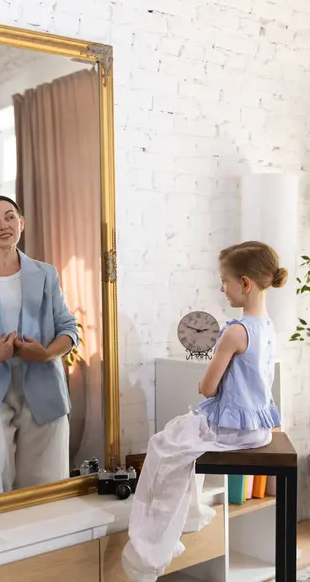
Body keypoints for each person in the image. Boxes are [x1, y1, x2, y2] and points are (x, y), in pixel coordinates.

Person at [122, 241, 287, 582]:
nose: (221, 288)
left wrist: (209, 380)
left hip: (231, 429)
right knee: (179, 443)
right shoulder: (267, 327)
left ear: (245, 284)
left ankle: (151, 547)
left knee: (162, 446)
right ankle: (190, 515)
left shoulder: (235, 331)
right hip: (257, 427)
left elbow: (208, 388)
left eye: (224, 280)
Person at [0, 195, 78, 495]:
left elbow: (68, 329)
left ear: (21, 223)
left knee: (46, 483)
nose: (3, 225)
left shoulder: (46, 273)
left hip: (41, 383)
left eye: (10, 217)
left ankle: (44, 540)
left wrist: (46, 353)